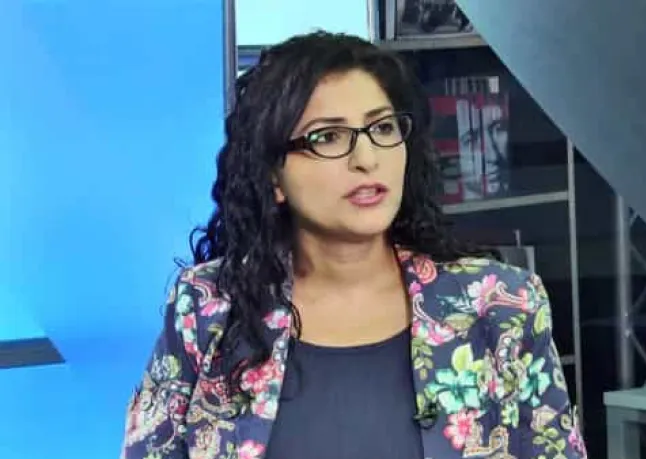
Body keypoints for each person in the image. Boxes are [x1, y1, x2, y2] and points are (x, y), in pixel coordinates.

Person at [120, 31, 587, 459]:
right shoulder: (208, 309)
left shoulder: (501, 304)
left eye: (382, 128)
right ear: (273, 175)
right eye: (328, 137)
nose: (367, 158)